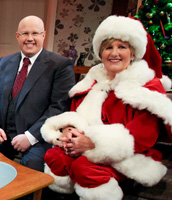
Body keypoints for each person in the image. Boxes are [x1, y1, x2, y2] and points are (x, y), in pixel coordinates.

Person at [41, 16, 172, 200]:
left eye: (122, 47)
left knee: (83, 167)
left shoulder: (146, 86)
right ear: (101, 53)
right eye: (108, 47)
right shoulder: (93, 80)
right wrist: (70, 130)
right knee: (55, 157)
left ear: (133, 53)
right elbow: (76, 112)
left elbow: (144, 135)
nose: (114, 53)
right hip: (84, 146)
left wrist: (94, 143)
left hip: (128, 154)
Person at [0, 15, 75, 172]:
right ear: (17, 36)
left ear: (43, 35)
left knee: (30, 170)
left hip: (38, 139)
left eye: (35, 33)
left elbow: (59, 106)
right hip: (1, 135)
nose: (30, 38)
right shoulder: (4, 62)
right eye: (25, 33)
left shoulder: (60, 65)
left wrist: (30, 137)